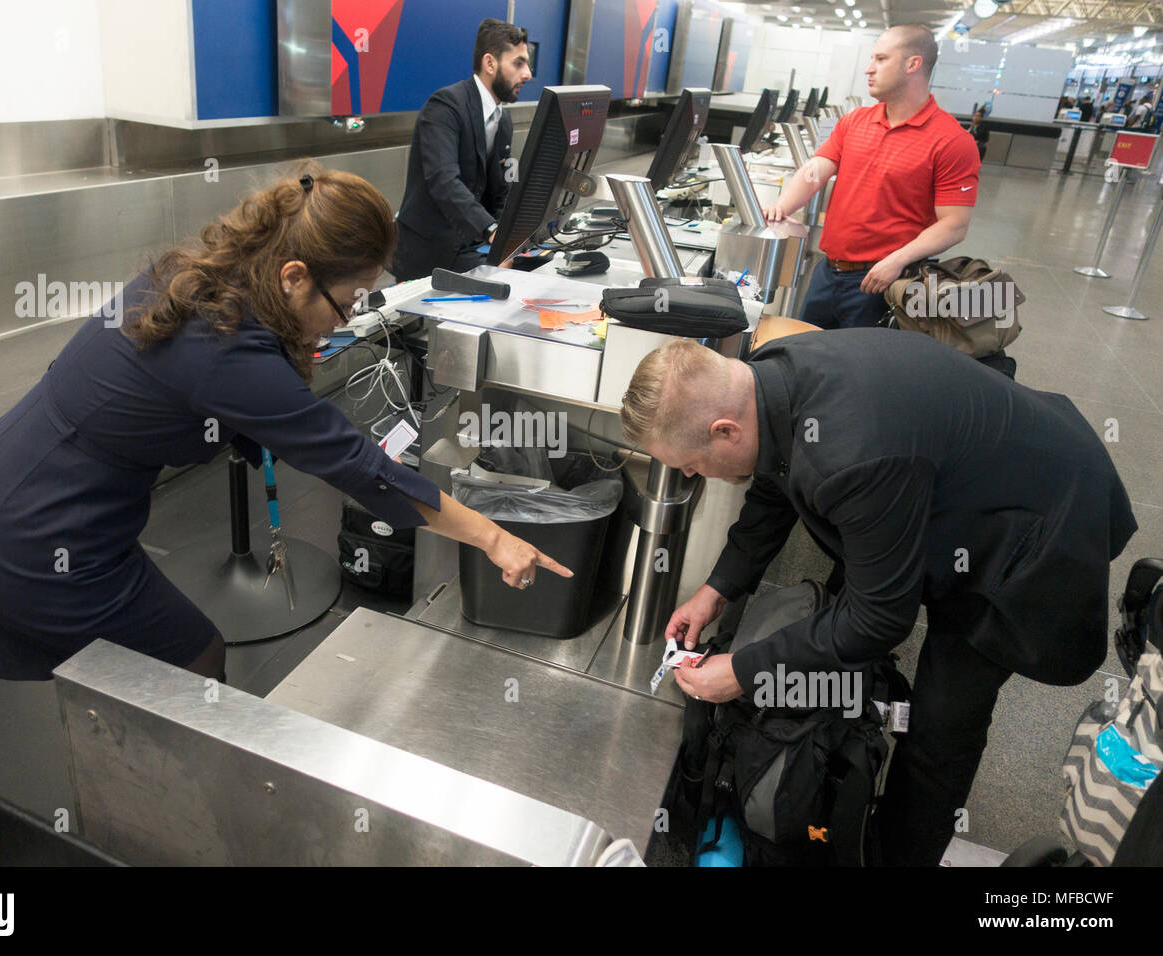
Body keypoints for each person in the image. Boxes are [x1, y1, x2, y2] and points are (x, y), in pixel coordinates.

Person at [0, 160, 571, 683]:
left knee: (126, 672)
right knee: (193, 659)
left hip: (7, 490)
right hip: (33, 532)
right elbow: (357, 468)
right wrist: (493, 537)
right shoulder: (222, 343)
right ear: (294, 275)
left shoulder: (212, 281)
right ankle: (166, 805)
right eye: (346, 302)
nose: (344, 321)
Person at [620, 333, 1137, 866]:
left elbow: (880, 618)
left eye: (689, 463)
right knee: (846, 624)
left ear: (724, 429)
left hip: (1037, 526)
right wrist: (717, 589)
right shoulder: (764, 377)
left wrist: (744, 670)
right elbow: (775, 484)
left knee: (942, 723)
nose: (689, 475)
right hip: (969, 470)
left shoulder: (849, 455)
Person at [762, 25, 980, 330]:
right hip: (827, 273)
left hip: (882, 281)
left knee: (858, 371)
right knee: (801, 354)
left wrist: (898, 260)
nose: (869, 68)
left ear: (913, 64)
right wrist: (782, 206)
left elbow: (955, 225)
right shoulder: (855, 121)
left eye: (880, 59)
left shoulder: (952, 141)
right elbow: (815, 171)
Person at [391, 19, 533, 281]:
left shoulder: (502, 121)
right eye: (518, 63)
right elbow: (444, 181)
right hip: (428, 254)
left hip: (466, 245)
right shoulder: (445, 107)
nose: (528, 74)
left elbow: (501, 191)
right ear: (490, 63)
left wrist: (508, 241)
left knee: (527, 273)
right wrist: (490, 228)